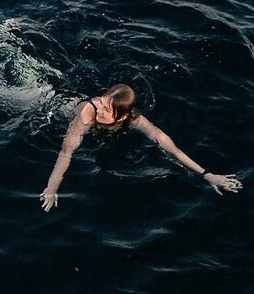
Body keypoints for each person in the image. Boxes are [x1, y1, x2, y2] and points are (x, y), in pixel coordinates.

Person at [38, 83, 242, 210]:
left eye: (106, 108)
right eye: (101, 101)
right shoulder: (87, 114)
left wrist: (207, 175)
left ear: (123, 117)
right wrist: (52, 187)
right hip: (47, 103)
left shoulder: (135, 120)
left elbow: (172, 148)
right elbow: (66, 152)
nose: (99, 108)